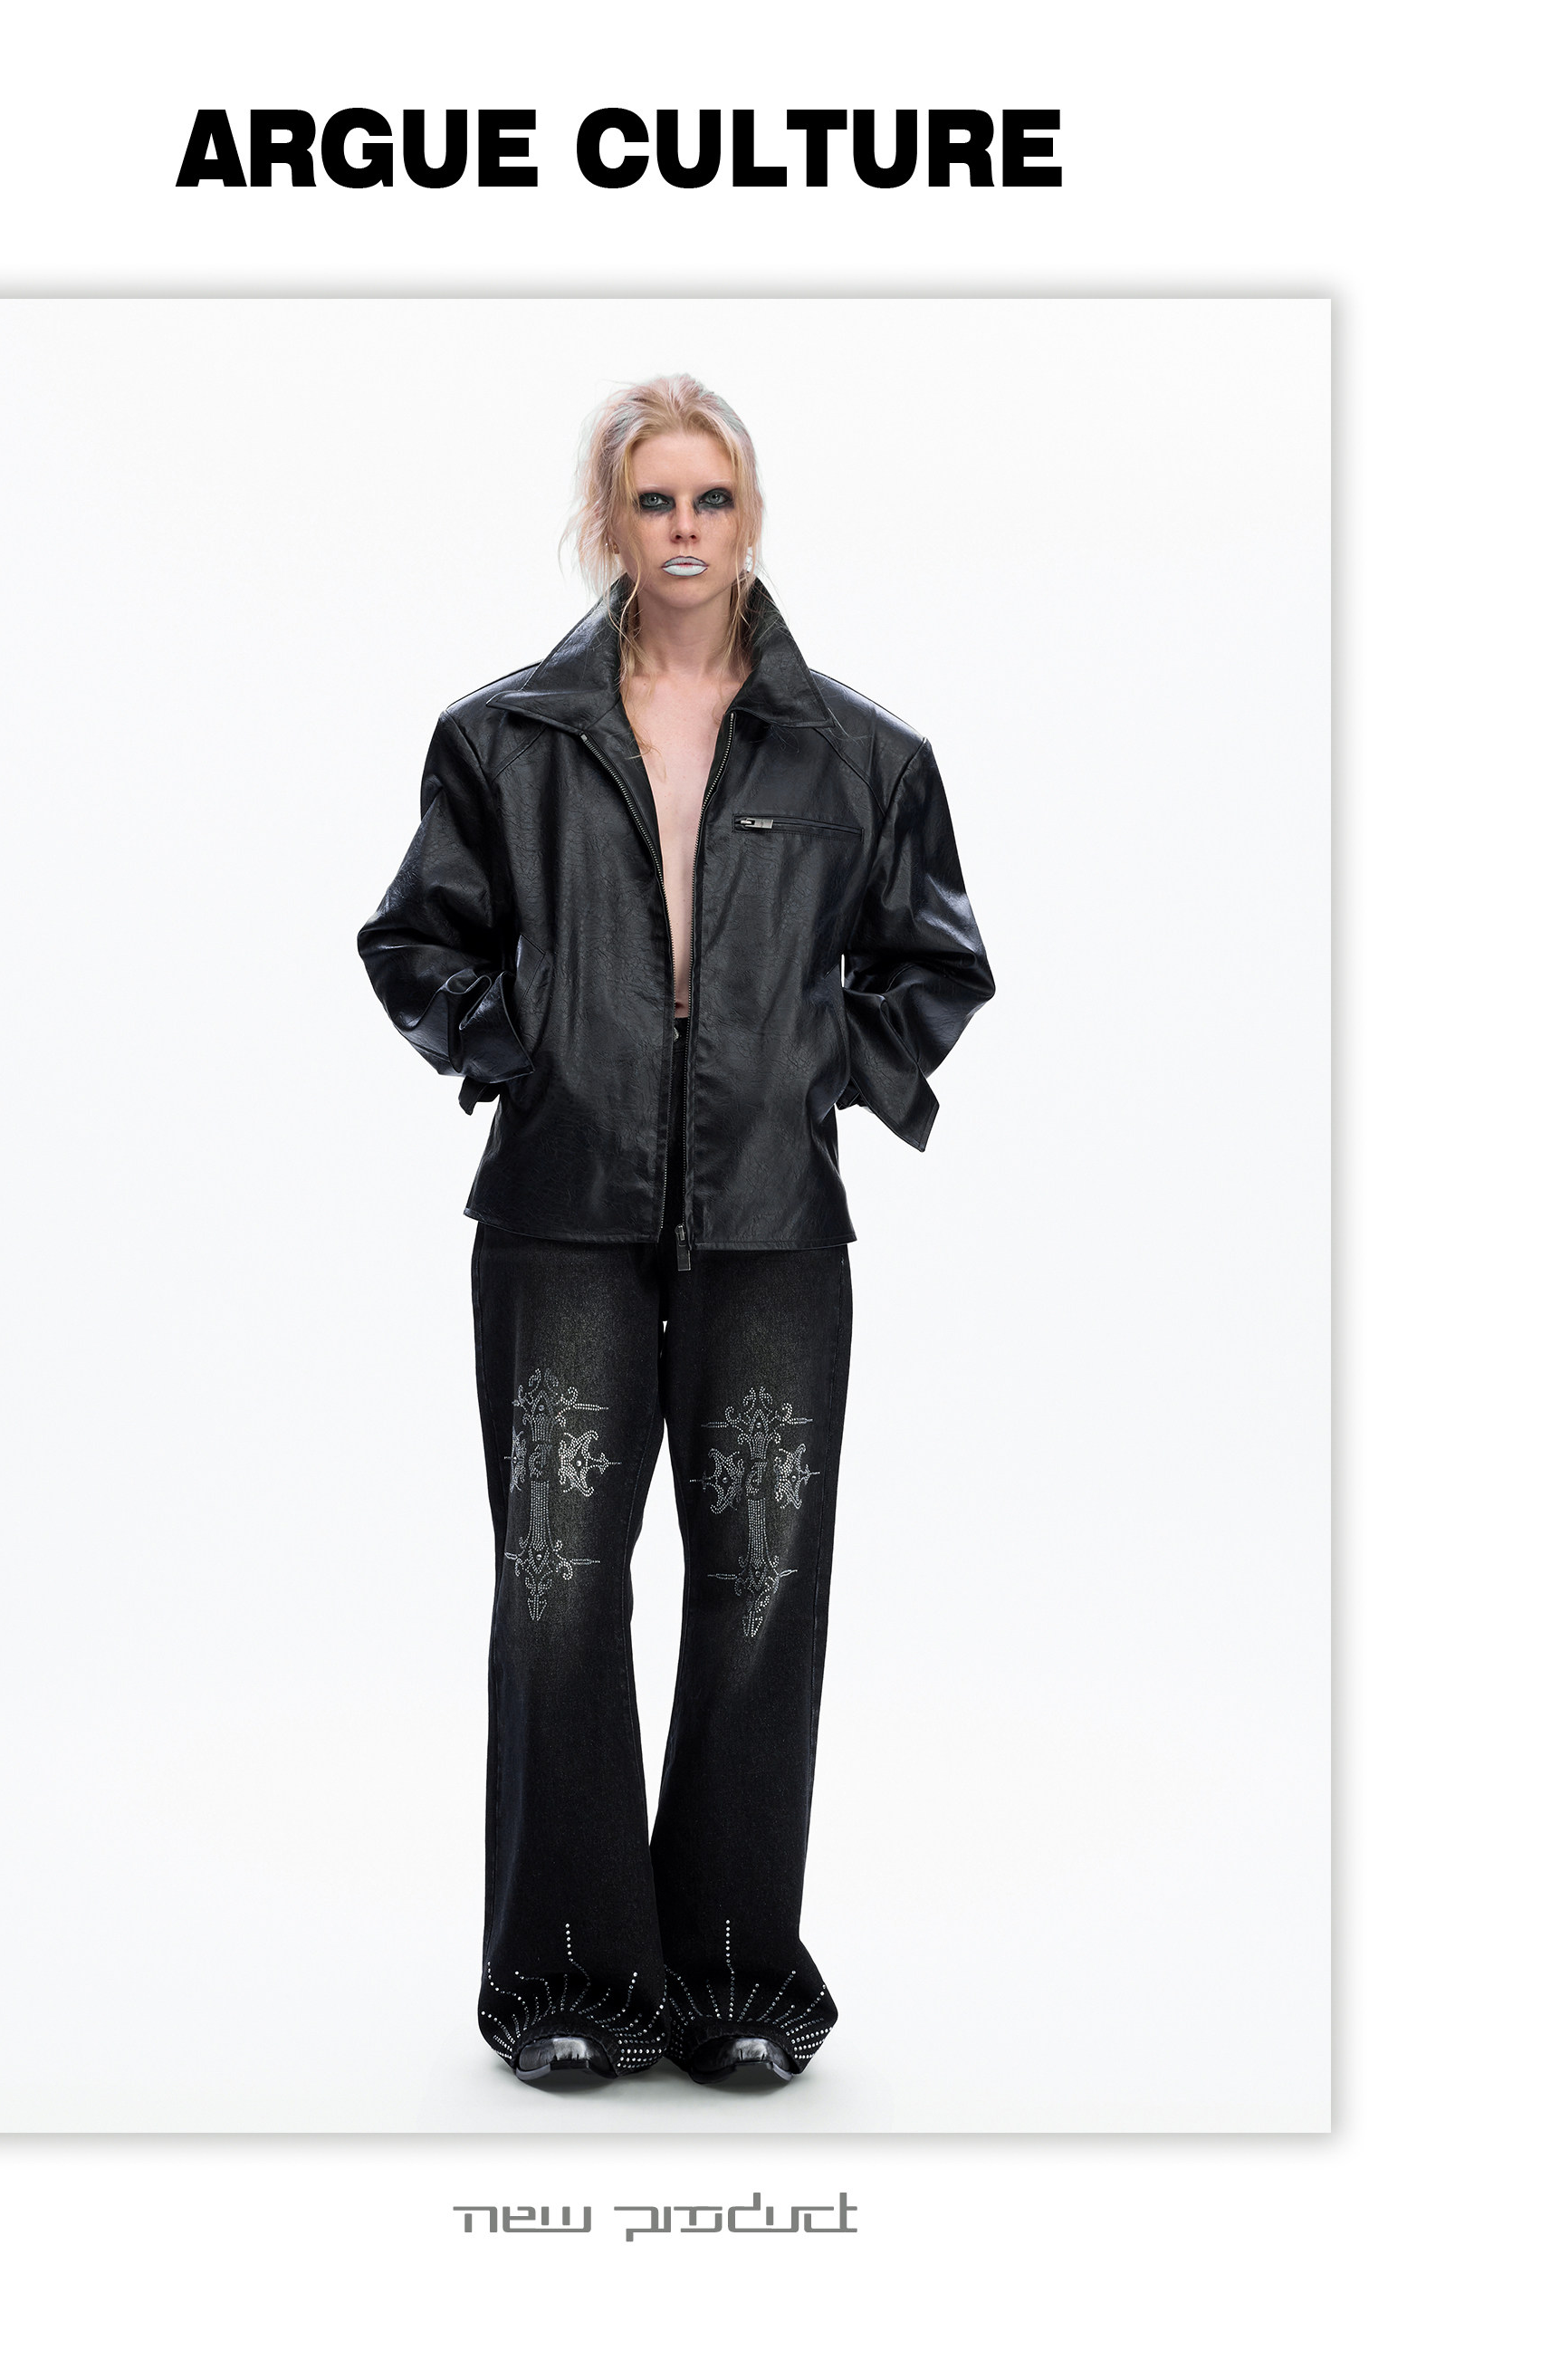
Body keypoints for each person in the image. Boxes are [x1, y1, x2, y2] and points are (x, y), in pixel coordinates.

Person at [357, 374, 993, 2086]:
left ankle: (732, 1983)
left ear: (751, 516)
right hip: (561, 1214)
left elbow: (936, 962)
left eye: (713, 499)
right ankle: (570, 1979)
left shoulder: (860, 753)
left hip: (774, 1221)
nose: (687, 530)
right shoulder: (506, 738)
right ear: (610, 521)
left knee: (762, 1590)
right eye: (656, 501)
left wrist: (810, 1072)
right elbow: (416, 943)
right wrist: (535, 1055)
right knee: (556, 1589)